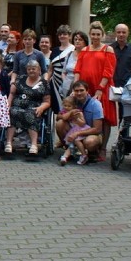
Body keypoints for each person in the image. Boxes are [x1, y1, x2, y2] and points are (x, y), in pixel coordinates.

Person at [73, 21, 116, 160]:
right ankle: (87, 146)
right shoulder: (84, 50)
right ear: (90, 35)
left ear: (102, 35)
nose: (95, 37)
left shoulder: (107, 50)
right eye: (93, 34)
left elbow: (108, 72)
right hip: (86, 88)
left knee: (104, 119)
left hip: (101, 88)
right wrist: (75, 87)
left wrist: (100, 89)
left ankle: (103, 148)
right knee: (85, 116)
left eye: (98, 34)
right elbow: (77, 70)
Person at [4, 60, 50, 156]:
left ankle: (34, 145)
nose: (31, 71)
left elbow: (47, 101)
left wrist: (41, 107)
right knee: (12, 112)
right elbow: (12, 94)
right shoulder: (20, 79)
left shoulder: (44, 83)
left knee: (30, 114)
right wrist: (8, 104)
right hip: (18, 106)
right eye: (29, 69)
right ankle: (8, 143)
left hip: (33, 107)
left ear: (39, 70)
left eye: (34, 69)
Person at [55, 81, 103, 165]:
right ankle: (69, 149)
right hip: (74, 129)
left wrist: (77, 133)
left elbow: (97, 129)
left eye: (81, 90)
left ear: (87, 91)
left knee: (90, 142)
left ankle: (92, 152)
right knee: (60, 123)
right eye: (76, 91)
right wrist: (69, 113)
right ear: (73, 91)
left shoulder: (95, 104)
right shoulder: (71, 101)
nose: (79, 93)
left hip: (90, 132)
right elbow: (58, 117)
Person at [46, 25, 74, 113]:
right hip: (54, 84)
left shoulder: (74, 50)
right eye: (60, 34)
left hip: (69, 83)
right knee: (56, 108)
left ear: (69, 36)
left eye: (64, 34)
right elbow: (50, 69)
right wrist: (46, 80)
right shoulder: (54, 50)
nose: (62, 36)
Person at [57, 96, 87, 166]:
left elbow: (83, 123)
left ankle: (83, 155)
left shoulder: (78, 112)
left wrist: (77, 119)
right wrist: (70, 112)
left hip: (79, 129)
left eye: (69, 106)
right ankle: (65, 157)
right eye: (65, 105)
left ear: (74, 106)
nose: (66, 107)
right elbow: (62, 117)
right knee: (71, 143)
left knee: (76, 141)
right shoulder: (64, 112)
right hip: (72, 130)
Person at [112, 23, 131, 89]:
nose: (121, 34)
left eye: (124, 32)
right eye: (118, 32)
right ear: (115, 33)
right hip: (112, 84)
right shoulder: (109, 49)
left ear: (128, 33)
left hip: (127, 85)